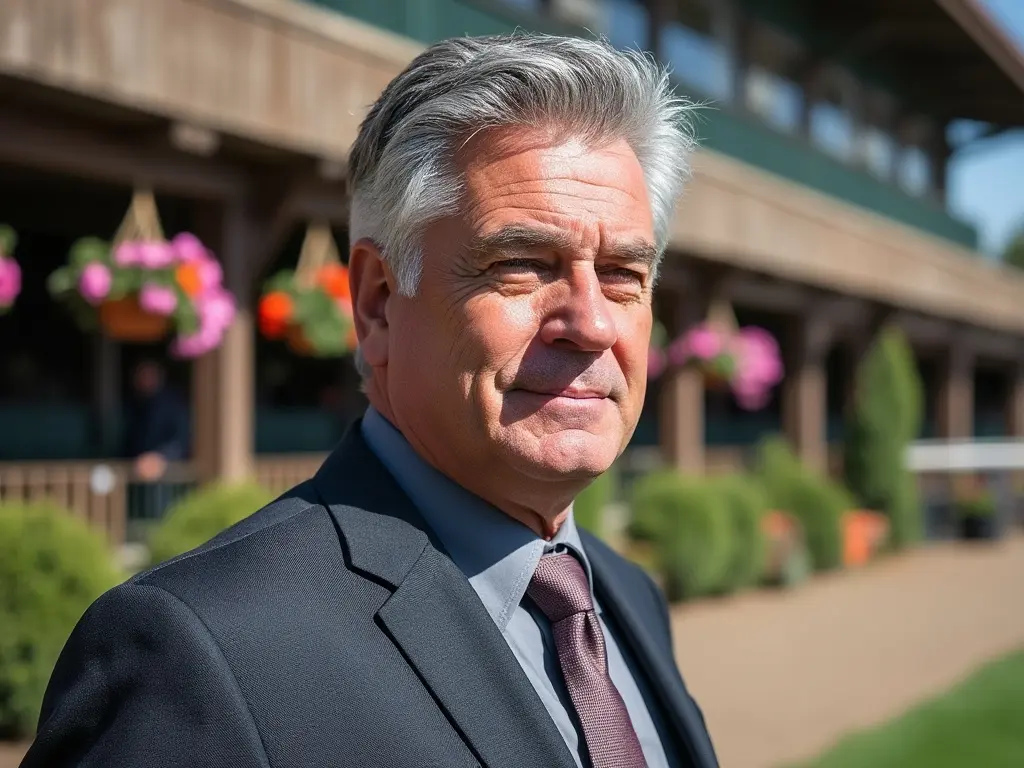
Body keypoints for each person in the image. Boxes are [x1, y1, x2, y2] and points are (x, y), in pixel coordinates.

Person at [22, 34, 719, 768]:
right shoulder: (200, 652)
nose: (593, 322)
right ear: (379, 301)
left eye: (622, 275)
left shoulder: (626, 598)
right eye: (522, 264)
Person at [123, 359, 190, 481]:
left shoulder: (173, 404)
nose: (144, 380)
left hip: (169, 477)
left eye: (149, 375)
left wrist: (160, 457)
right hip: (138, 475)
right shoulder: (135, 405)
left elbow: (182, 440)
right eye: (141, 375)